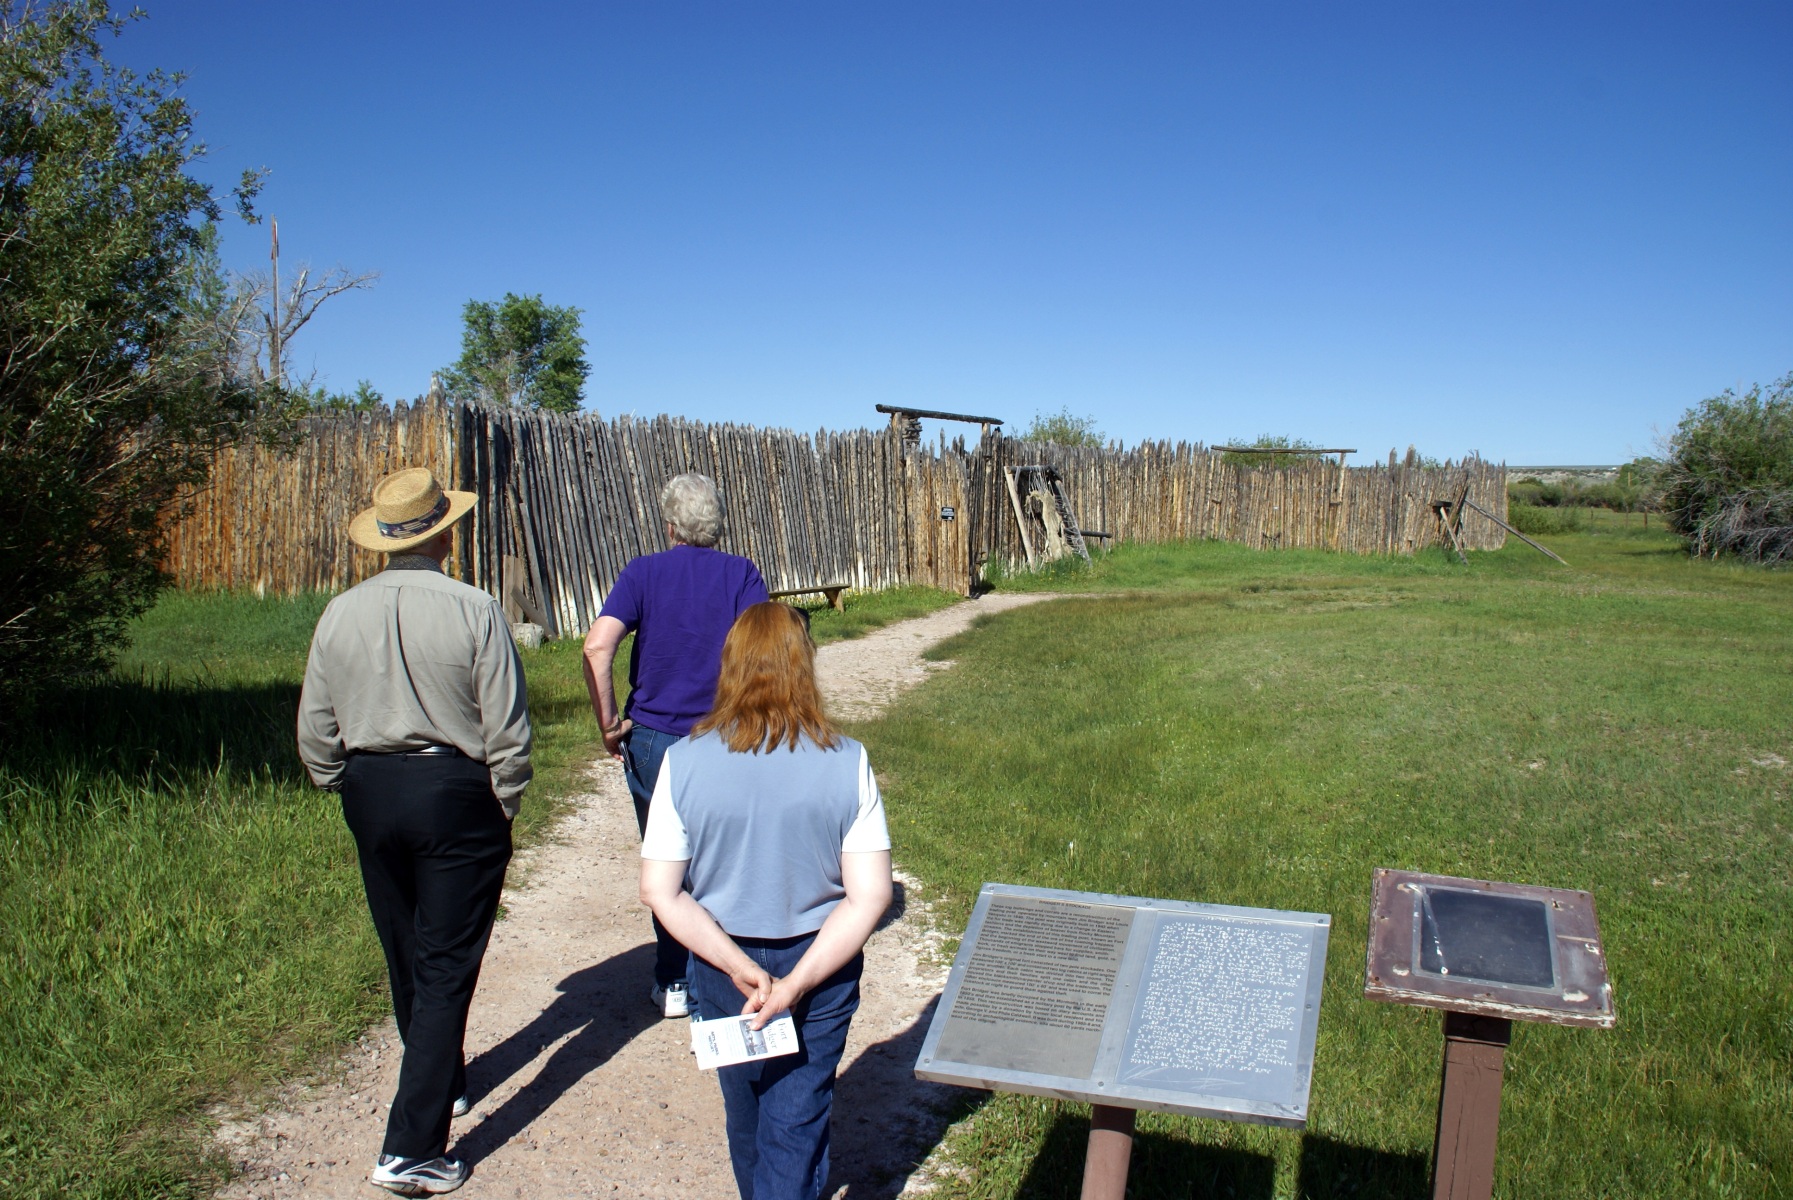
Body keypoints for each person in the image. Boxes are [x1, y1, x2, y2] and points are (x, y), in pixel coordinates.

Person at [298, 466, 531, 1197]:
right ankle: (411, 1149)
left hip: (369, 788)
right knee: (445, 962)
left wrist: (338, 781)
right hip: (453, 790)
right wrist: (506, 798)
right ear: (446, 535)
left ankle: (441, 1080)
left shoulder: (339, 613)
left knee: (403, 943)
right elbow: (506, 723)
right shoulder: (474, 608)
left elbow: (316, 724)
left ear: (384, 539)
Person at [639, 602, 893, 1200]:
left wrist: (736, 966)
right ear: (804, 666)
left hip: (722, 963)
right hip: (820, 962)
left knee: (746, 1109)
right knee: (797, 1118)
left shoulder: (682, 762)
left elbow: (660, 890)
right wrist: (796, 983)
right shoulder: (848, 761)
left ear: (729, 665)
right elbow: (871, 895)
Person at [583, 472, 768, 1018]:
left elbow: (597, 646)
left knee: (666, 862)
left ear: (669, 525)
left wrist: (609, 723)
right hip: (724, 736)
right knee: (723, 859)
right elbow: (766, 652)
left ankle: (674, 981)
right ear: (717, 524)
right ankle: (724, 976)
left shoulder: (643, 572)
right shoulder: (741, 574)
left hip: (654, 739)